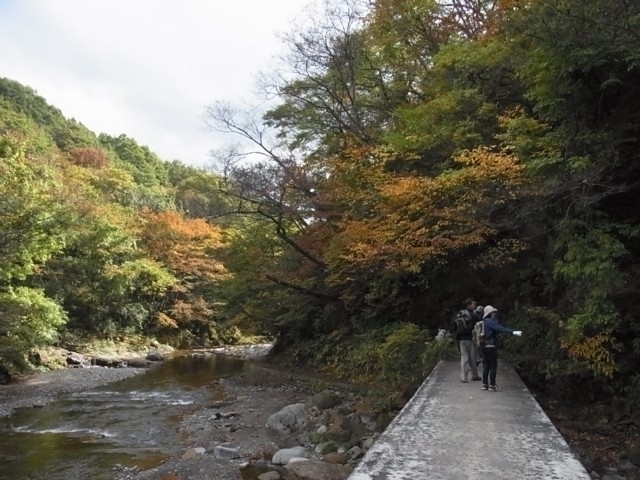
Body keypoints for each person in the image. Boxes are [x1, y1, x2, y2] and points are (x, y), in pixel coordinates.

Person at [480, 305, 522, 391]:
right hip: (491, 346)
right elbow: (498, 328)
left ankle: (484, 384)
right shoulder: (489, 321)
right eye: (493, 312)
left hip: (484, 346)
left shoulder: (484, 322)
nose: (494, 314)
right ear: (490, 313)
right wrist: (512, 332)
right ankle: (492, 385)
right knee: (493, 366)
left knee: (487, 365)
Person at [450, 298, 481, 383]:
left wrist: (455, 336)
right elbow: (478, 325)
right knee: (473, 357)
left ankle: (464, 377)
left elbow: (453, 326)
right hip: (470, 339)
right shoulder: (472, 315)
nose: (474, 306)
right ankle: (475, 375)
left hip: (461, 339)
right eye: (473, 304)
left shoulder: (459, 314)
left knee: (464, 357)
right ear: (468, 305)